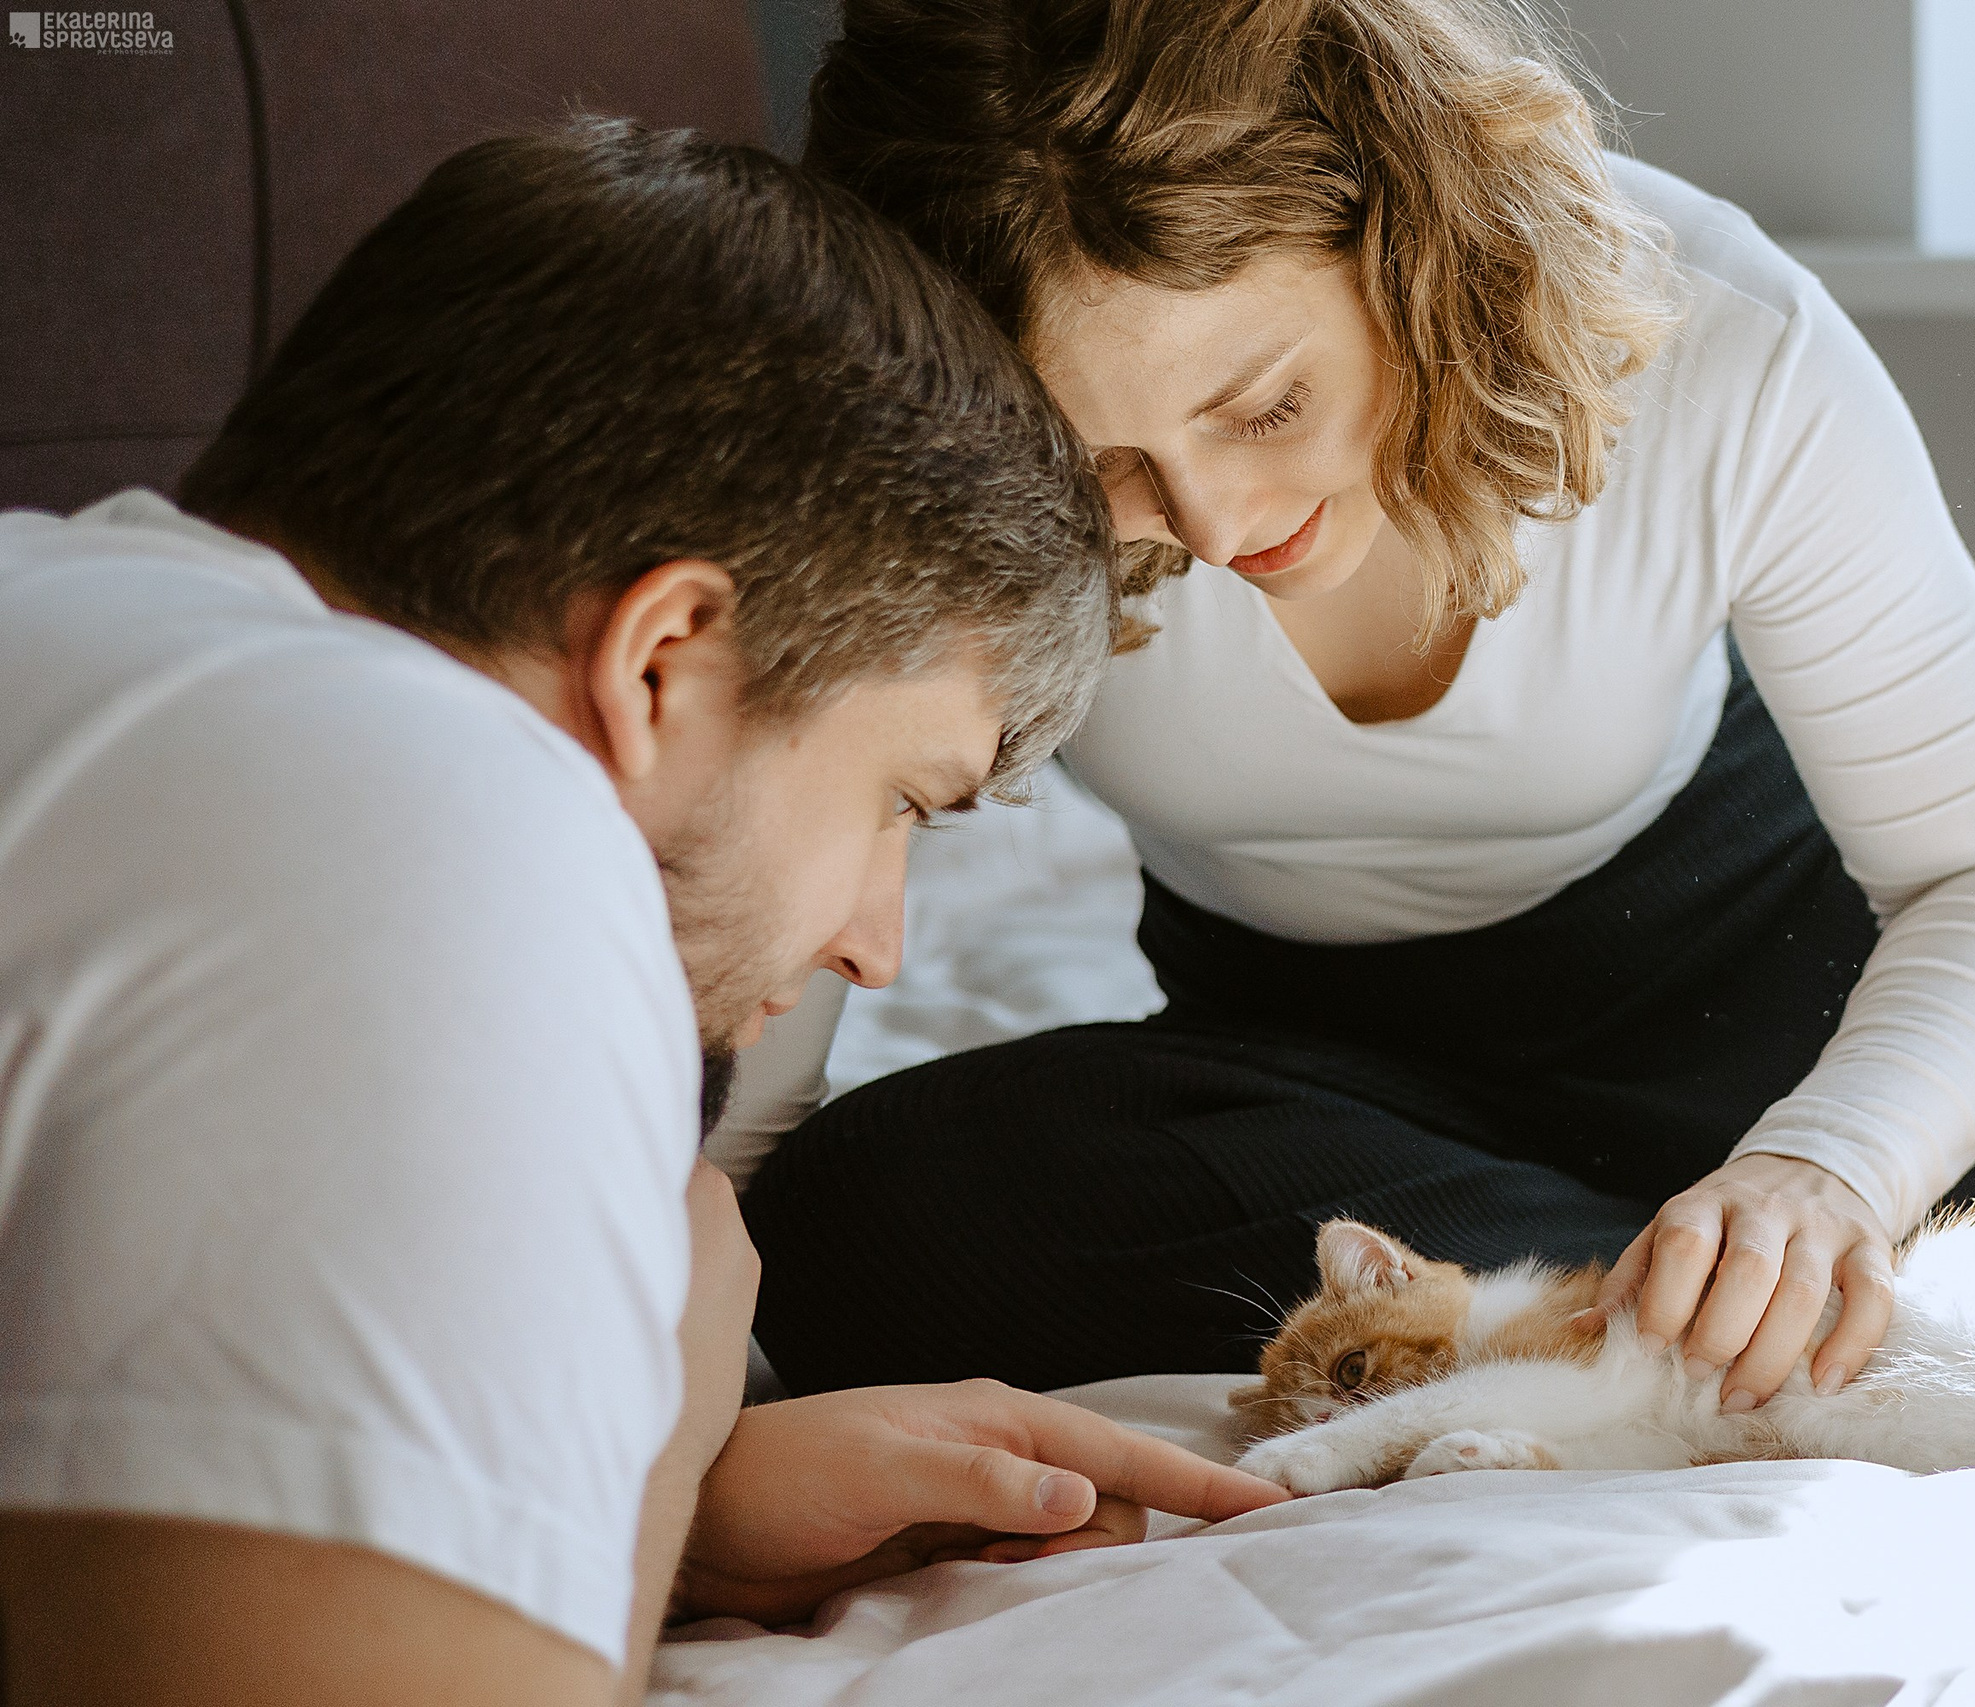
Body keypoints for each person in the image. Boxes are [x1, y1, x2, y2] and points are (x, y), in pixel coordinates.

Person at [740, 0, 1975, 1408]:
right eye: (1105, 467)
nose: (1211, 525)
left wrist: (1828, 1171)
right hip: (1321, 1079)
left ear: (1403, 231)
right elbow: (776, 968)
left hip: (1799, 969)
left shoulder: (1711, 329)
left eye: (1268, 404)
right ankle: (1658, 1293)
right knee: (859, 1226)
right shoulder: (940, 463)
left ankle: (1700, 1282)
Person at [0, 118, 1284, 1707]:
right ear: (662, 662)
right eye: (903, 800)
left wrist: (659, 1532)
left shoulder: (80, 632)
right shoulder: (445, 831)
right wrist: (664, 1431)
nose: (877, 944)